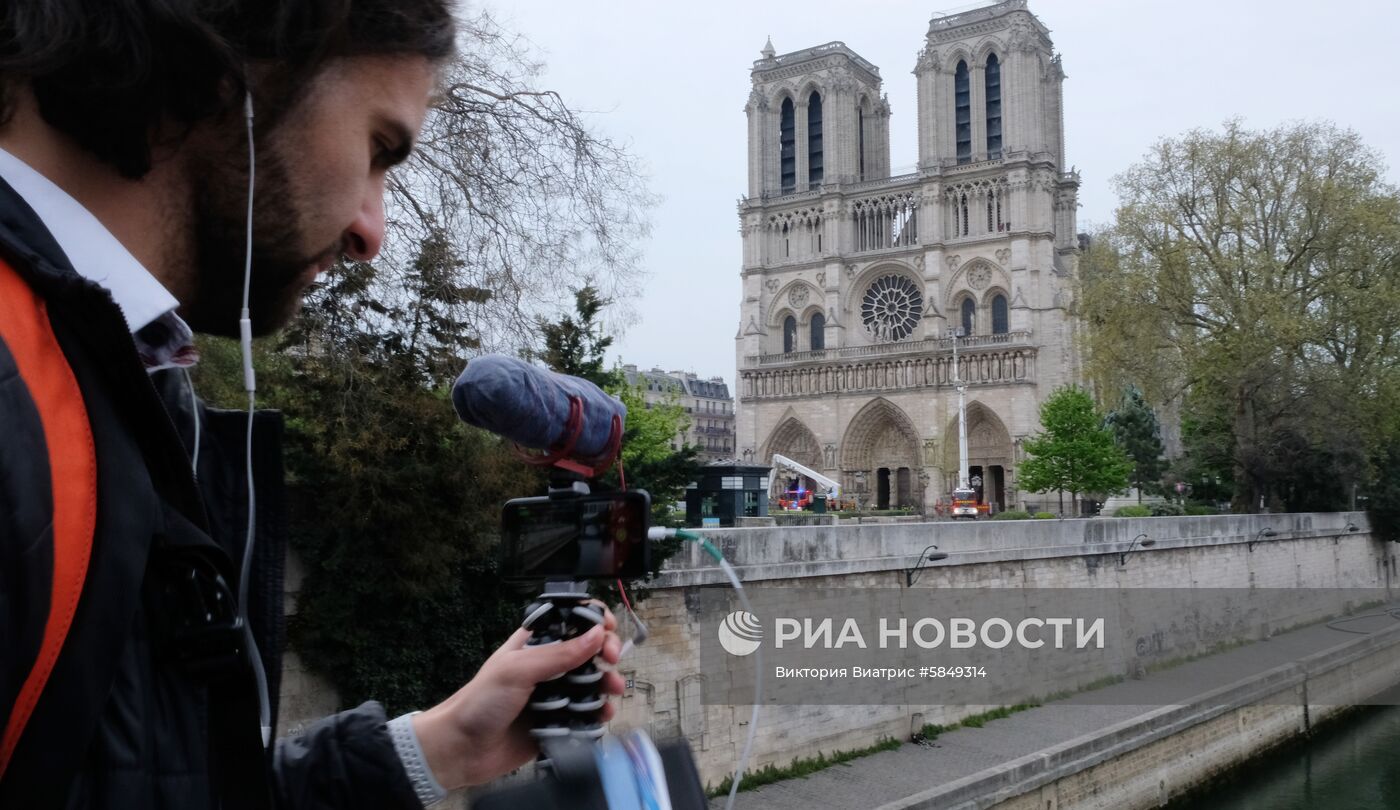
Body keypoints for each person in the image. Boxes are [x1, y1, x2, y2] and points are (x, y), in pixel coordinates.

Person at [0, 1, 623, 807]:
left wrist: (431, 749)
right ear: (236, 72)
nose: (374, 230)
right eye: (378, 148)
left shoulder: (115, 371)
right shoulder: (25, 395)